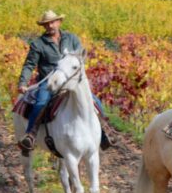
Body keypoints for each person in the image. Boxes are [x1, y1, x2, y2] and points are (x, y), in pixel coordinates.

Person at [17, 9, 112, 152]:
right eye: (46, 24)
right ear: (43, 26)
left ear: (59, 22)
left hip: (70, 81)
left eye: (52, 22)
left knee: (94, 100)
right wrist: (23, 83)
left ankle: (104, 133)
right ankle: (31, 134)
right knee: (41, 102)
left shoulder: (71, 38)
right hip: (49, 81)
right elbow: (29, 64)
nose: (50, 26)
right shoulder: (38, 44)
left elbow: (80, 58)